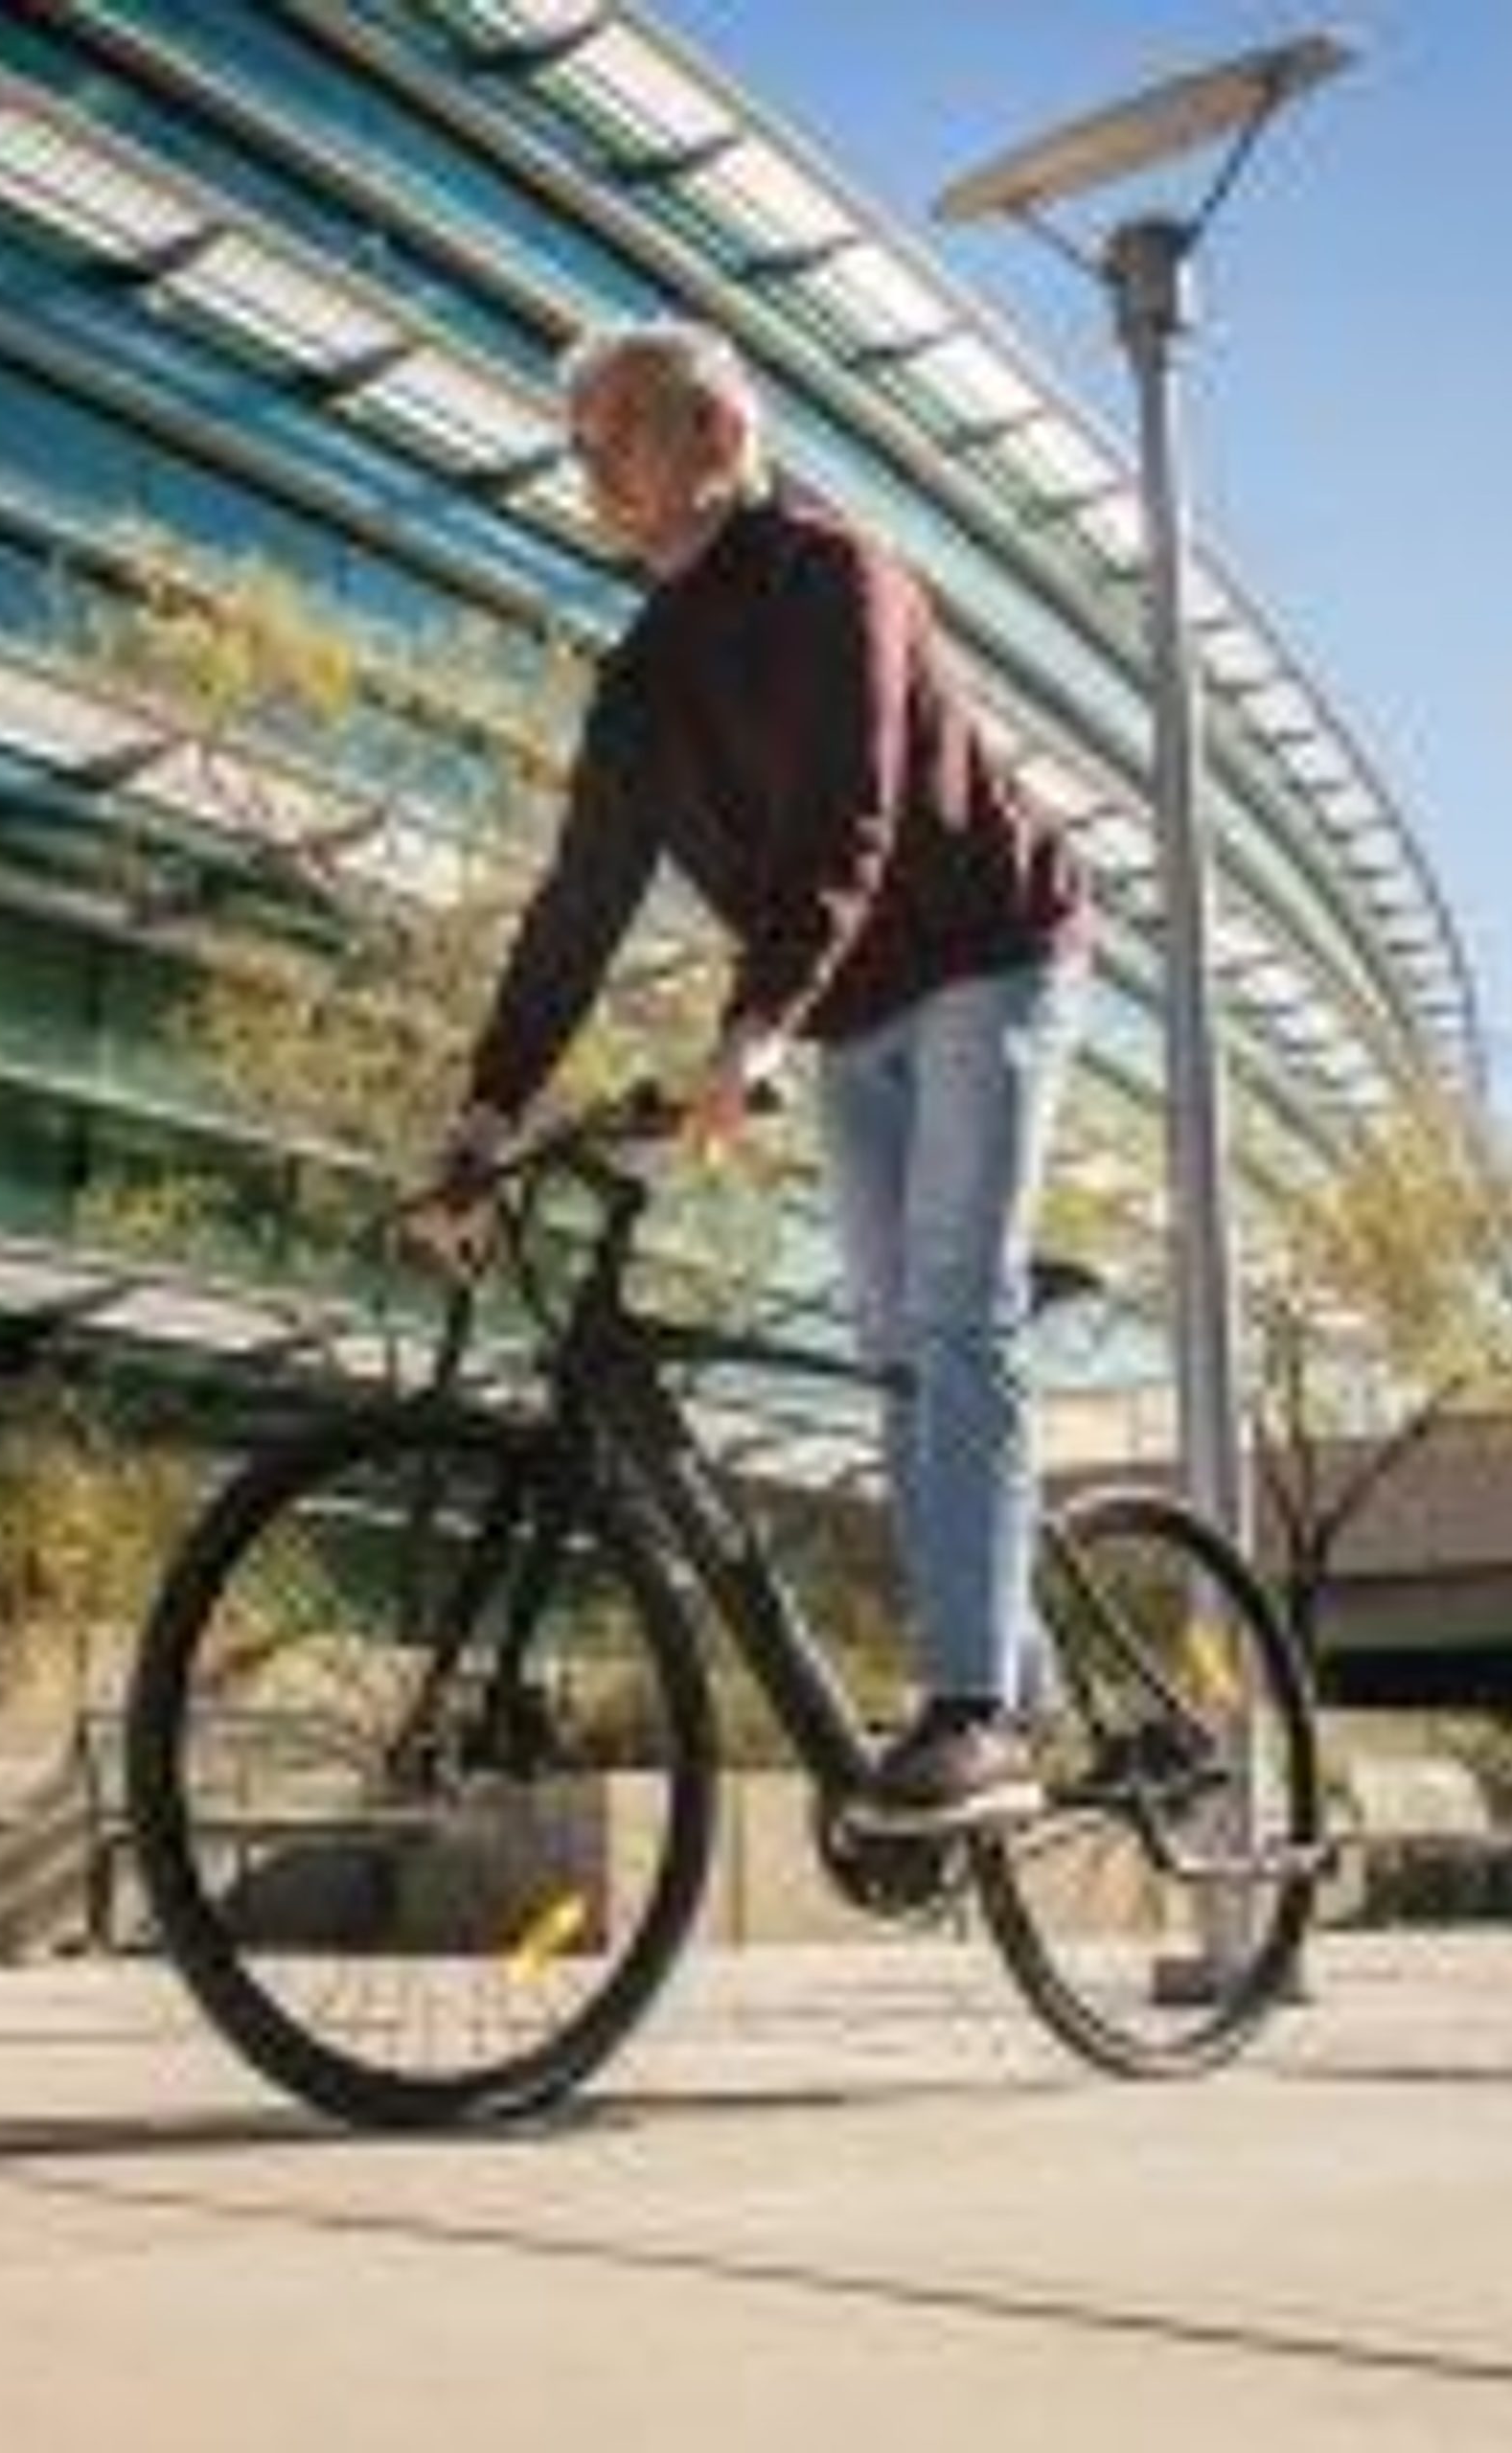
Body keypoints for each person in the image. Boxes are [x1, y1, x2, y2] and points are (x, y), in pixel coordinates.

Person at [424, 318, 1092, 1832]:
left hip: (995, 953)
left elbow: (849, 813)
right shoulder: (645, 672)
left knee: (954, 1302)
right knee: (890, 1347)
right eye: (579, 445)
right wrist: (487, 1111)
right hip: (851, 1005)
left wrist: (753, 1030)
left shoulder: (835, 575)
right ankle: (1023, 1685)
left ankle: (976, 1714)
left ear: (719, 438)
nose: (590, 466)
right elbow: (580, 901)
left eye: (618, 435)